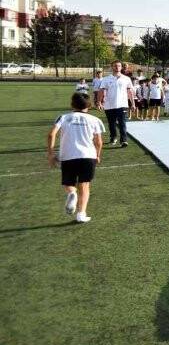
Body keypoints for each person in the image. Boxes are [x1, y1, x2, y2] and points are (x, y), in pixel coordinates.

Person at [47, 93, 104, 223]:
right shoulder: (95, 120)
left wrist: (50, 154)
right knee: (85, 185)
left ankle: (72, 193)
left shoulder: (64, 117)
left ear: (72, 104)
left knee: (69, 183)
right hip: (88, 155)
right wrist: (98, 155)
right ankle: (81, 214)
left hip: (68, 155)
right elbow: (98, 141)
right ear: (89, 105)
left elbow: (51, 135)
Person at [95, 60, 135, 148]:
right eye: (115, 66)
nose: (117, 67)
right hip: (109, 105)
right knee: (111, 123)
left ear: (121, 67)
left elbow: (130, 92)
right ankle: (113, 137)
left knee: (122, 123)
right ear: (112, 67)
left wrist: (133, 104)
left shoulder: (126, 79)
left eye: (119, 66)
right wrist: (99, 102)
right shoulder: (106, 79)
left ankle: (123, 140)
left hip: (122, 105)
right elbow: (101, 91)